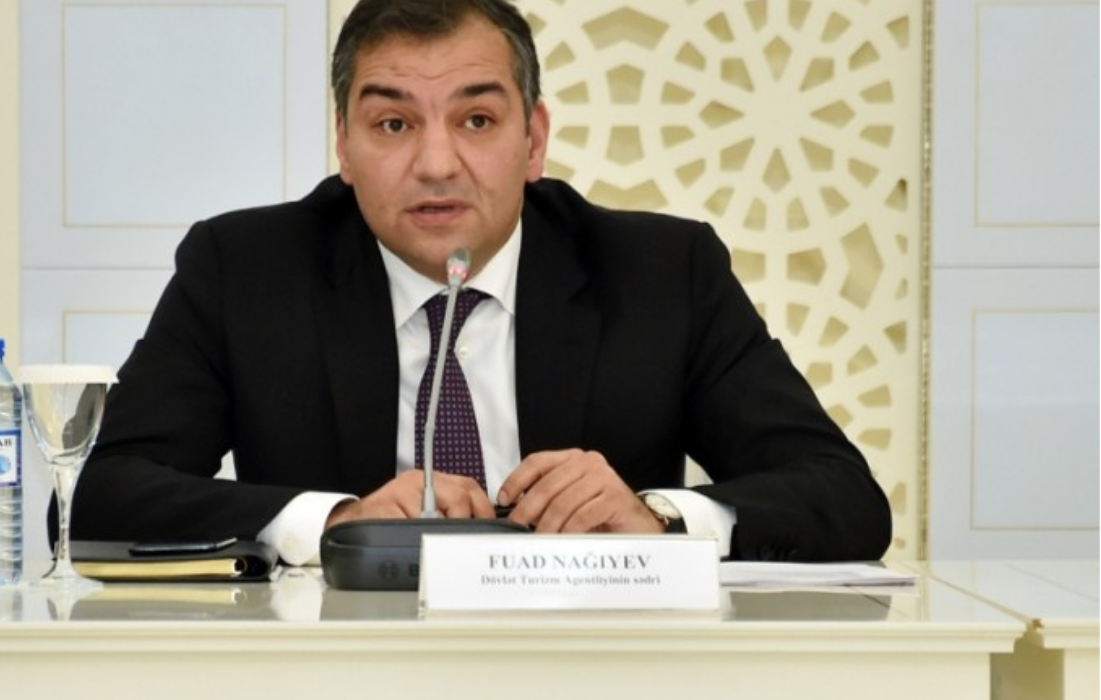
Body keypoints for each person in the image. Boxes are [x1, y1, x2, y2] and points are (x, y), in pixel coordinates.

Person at [65, 0, 892, 565]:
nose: (435, 163)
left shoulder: (661, 273)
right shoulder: (244, 269)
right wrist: (335, 521)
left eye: (477, 120)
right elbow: (99, 498)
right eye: (393, 123)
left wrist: (659, 518)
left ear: (533, 141)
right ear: (344, 144)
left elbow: (844, 497)